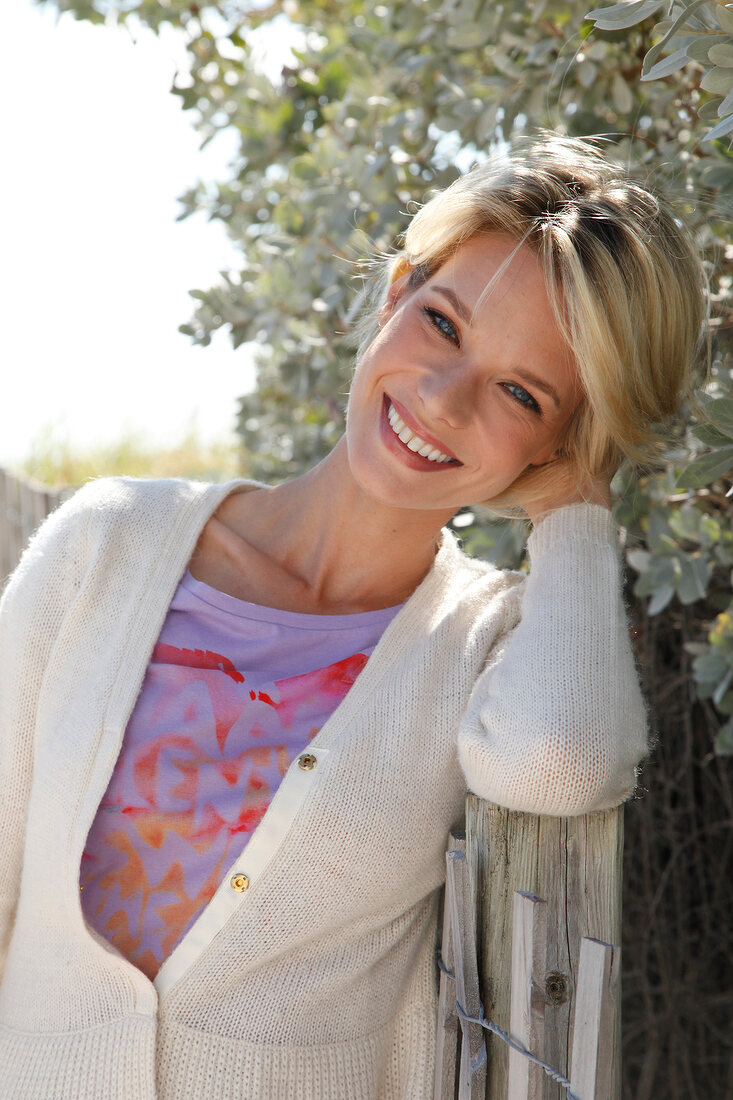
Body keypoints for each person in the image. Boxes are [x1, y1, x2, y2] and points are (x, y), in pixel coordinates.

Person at [0, 132, 706, 1100]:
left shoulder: (483, 641)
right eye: (444, 324)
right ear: (393, 296)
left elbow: (562, 758)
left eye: (518, 390)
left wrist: (578, 503)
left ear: (558, 440)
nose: (443, 398)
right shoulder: (106, 544)